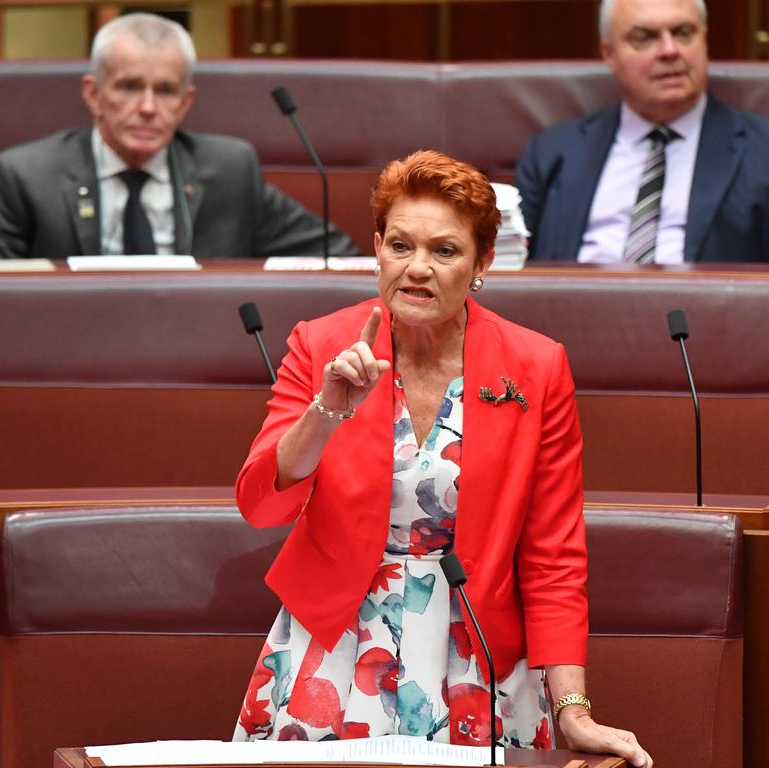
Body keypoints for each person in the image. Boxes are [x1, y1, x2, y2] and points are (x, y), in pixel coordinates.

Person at [232, 150, 652, 767]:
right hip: (338, 648)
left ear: (483, 262)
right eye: (400, 245)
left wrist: (573, 711)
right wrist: (327, 408)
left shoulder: (535, 367)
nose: (417, 269)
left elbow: (553, 556)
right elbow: (260, 505)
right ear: (377, 248)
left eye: (445, 252)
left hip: (474, 653)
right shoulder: (320, 344)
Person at [0, 13, 358, 261]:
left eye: (165, 91)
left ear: (186, 103)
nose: (148, 107)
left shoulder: (230, 170)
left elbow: (336, 258)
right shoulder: (26, 176)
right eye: (130, 87)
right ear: (94, 95)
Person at [515, 0, 769, 265]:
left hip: (719, 344)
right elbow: (505, 274)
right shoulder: (551, 152)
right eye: (644, 37)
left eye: (683, 32)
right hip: (573, 339)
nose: (669, 50)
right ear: (609, 54)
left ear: (704, 41)